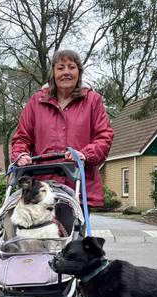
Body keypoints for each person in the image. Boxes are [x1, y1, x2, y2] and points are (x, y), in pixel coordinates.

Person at [10, 49, 114, 207]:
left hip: (78, 185)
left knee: (74, 231)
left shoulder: (93, 101)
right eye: (60, 68)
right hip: (42, 188)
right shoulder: (36, 102)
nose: (66, 72)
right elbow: (22, 137)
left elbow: (104, 137)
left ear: (79, 71)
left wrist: (85, 154)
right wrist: (21, 155)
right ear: (53, 72)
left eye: (71, 67)